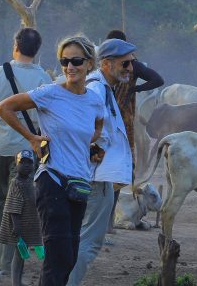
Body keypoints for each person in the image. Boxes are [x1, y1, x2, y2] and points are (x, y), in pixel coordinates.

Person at [0, 35, 105, 286]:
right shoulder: (50, 93)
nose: (70, 67)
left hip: (79, 185)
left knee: (70, 257)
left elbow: (98, 124)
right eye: (64, 61)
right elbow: (3, 108)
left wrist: (87, 143)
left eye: (76, 61)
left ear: (90, 63)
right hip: (52, 180)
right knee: (58, 256)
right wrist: (31, 138)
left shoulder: (94, 100)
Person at [0, 28, 53, 268]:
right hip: (27, 151)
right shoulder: (44, 78)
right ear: (37, 51)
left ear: (15, 46)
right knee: (19, 204)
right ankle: (10, 259)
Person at [68, 38, 137, 286]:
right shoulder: (96, 90)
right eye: (125, 63)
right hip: (95, 178)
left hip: (98, 176)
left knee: (81, 240)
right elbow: (82, 130)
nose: (130, 68)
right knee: (88, 242)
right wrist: (94, 151)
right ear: (106, 64)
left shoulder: (103, 89)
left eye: (131, 63)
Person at [104, 30, 164, 170]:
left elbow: (158, 80)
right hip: (120, 117)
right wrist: (135, 89)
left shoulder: (107, 64)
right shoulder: (132, 65)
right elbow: (158, 80)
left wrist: (135, 89)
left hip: (112, 117)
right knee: (121, 156)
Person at [0, 150, 43, 286]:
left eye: (29, 162)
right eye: (22, 162)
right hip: (18, 225)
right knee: (19, 255)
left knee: (22, 255)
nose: (26, 165)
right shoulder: (16, 183)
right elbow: (13, 205)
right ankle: (16, 282)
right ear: (16, 164)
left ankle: (18, 281)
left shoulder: (29, 182)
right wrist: (16, 225)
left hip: (26, 224)